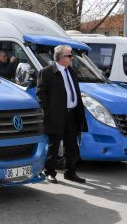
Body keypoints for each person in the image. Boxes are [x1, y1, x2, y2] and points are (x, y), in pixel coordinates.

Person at [36, 45, 88, 184]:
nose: (72, 58)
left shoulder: (71, 72)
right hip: (56, 115)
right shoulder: (46, 72)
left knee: (71, 146)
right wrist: (49, 110)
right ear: (60, 57)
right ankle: (50, 173)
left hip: (72, 114)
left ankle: (70, 172)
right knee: (54, 146)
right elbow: (41, 94)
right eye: (70, 55)